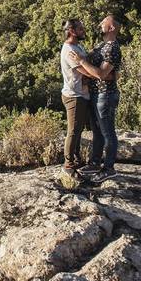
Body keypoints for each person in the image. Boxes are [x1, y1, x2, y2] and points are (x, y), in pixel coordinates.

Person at [70, 15, 123, 183]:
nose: (100, 23)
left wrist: (80, 62)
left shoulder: (113, 48)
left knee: (108, 133)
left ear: (112, 28)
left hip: (105, 95)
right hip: (95, 94)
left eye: (104, 22)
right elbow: (102, 72)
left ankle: (109, 169)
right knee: (97, 132)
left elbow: (101, 73)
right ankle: (95, 163)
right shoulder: (102, 45)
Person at [59, 18, 92, 174]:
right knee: (73, 130)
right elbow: (85, 71)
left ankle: (77, 159)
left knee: (78, 130)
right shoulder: (70, 51)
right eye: (80, 28)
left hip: (81, 94)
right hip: (74, 96)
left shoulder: (77, 46)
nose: (83, 30)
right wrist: (101, 74)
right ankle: (68, 164)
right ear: (71, 31)